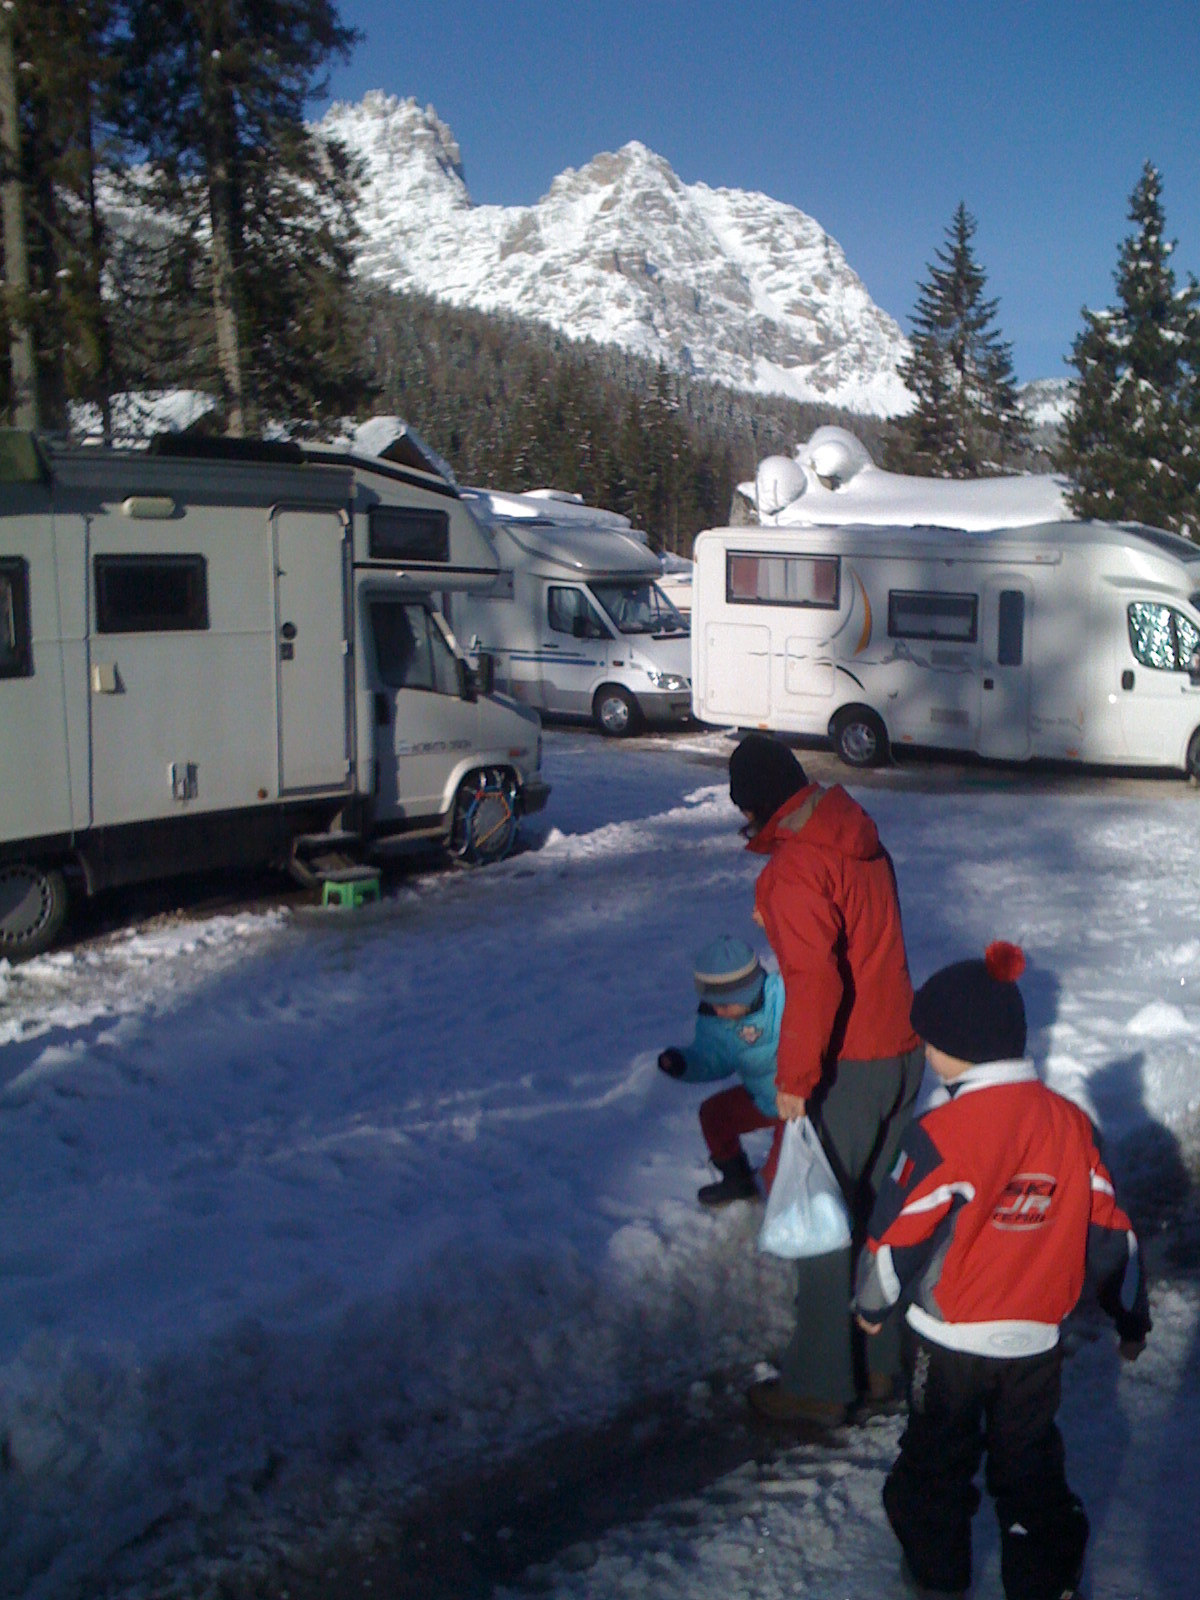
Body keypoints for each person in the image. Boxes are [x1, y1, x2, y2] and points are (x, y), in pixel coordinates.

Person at [853, 942, 1150, 1600]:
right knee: (1029, 1468)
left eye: (931, 1042)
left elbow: (899, 1230)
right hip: (1034, 1345)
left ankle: (938, 1580)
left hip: (949, 1342)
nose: (927, 1053)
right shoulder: (1072, 1126)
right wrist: (1130, 1317)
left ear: (958, 1048)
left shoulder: (943, 1130)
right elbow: (1111, 1231)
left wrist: (873, 1303)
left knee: (935, 1464)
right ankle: (1045, 1582)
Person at [728, 732, 923, 1428]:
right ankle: (879, 1364)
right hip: (902, 1050)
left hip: (849, 1064)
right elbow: (859, 936)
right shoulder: (855, 836)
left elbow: (816, 982)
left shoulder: (795, 868)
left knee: (820, 1222)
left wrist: (795, 1078)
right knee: (876, 1215)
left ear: (753, 804)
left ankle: (819, 1385)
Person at [658, 935, 785, 1206]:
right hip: (763, 1098)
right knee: (714, 1115)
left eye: (725, 1005)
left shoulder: (780, 998)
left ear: (747, 992)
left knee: (779, 1175)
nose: (719, 1012)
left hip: (799, 1104)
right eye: (713, 1004)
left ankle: (795, 1217)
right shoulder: (716, 1016)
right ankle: (738, 1181)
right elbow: (713, 1056)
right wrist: (684, 1063)